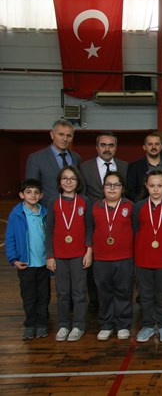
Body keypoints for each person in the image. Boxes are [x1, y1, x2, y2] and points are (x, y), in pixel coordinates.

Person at [46, 166, 92, 342]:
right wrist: (50, 255)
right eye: (65, 178)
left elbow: (89, 228)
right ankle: (63, 325)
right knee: (63, 292)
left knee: (79, 292)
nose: (68, 182)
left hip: (79, 254)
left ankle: (79, 325)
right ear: (59, 181)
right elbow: (49, 230)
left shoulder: (84, 201)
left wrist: (89, 250)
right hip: (59, 255)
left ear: (78, 182)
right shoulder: (53, 202)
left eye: (72, 178)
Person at [132, 171, 162, 343]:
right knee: (145, 295)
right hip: (143, 259)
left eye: (159, 185)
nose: (156, 189)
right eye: (152, 186)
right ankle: (147, 325)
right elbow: (135, 230)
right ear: (146, 186)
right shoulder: (139, 206)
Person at [88, 171, 134, 341]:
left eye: (116, 185)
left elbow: (136, 230)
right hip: (101, 259)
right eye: (108, 185)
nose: (112, 188)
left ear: (122, 188)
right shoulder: (95, 207)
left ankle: (123, 325)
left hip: (125, 258)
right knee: (104, 293)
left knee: (123, 291)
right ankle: (106, 324)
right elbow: (89, 230)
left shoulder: (130, 206)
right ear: (103, 188)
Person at [5, 179, 49, 340]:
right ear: (21, 195)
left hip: (43, 264)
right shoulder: (16, 214)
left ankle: (42, 324)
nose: (33, 195)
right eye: (29, 192)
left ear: (41, 195)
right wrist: (13, 259)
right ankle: (30, 325)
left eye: (36, 192)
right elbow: (10, 238)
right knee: (29, 296)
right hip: (26, 264)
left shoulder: (45, 213)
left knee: (44, 296)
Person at [26, 119, 81, 206]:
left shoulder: (76, 158)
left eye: (69, 135)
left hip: (72, 208)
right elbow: (30, 189)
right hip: (46, 209)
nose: (65, 139)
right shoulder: (36, 158)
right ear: (52, 134)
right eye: (61, 134)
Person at [80, 131, 129, 203]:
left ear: (116, 147)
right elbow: (82, 195)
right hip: (93, 209)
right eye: (103, 145)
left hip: (120, 209)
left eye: (111, 145)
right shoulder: (84, 167)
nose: (107, 149)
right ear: (97, 147)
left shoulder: (125, 166)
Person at [126, 131, 162, 200]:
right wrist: (143, 203)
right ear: (144, 147)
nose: (154, 147)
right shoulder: (134, 167)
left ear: (161, 147)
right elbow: (130, 191)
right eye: (150, 144)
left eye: (157, 144)